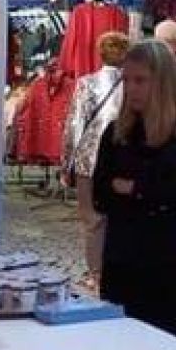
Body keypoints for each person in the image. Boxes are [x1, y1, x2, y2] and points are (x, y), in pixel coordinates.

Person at [92, 40, 176, 339]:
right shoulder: (116, 134)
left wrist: (130, 187)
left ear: (162, 82)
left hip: (166, 265)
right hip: (122, 261)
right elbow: (100, 196)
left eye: (140, 80)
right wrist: (153, 188)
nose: (131, 89)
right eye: (127, 80)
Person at [62, 30, 128, 284]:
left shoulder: (86, 84)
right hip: (122, 160)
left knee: (92, 219)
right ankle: (117, 269)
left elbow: (75, 125)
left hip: (89, 158)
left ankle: (96, 273)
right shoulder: (134, 84)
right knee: (120, 217)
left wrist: (66, 163)